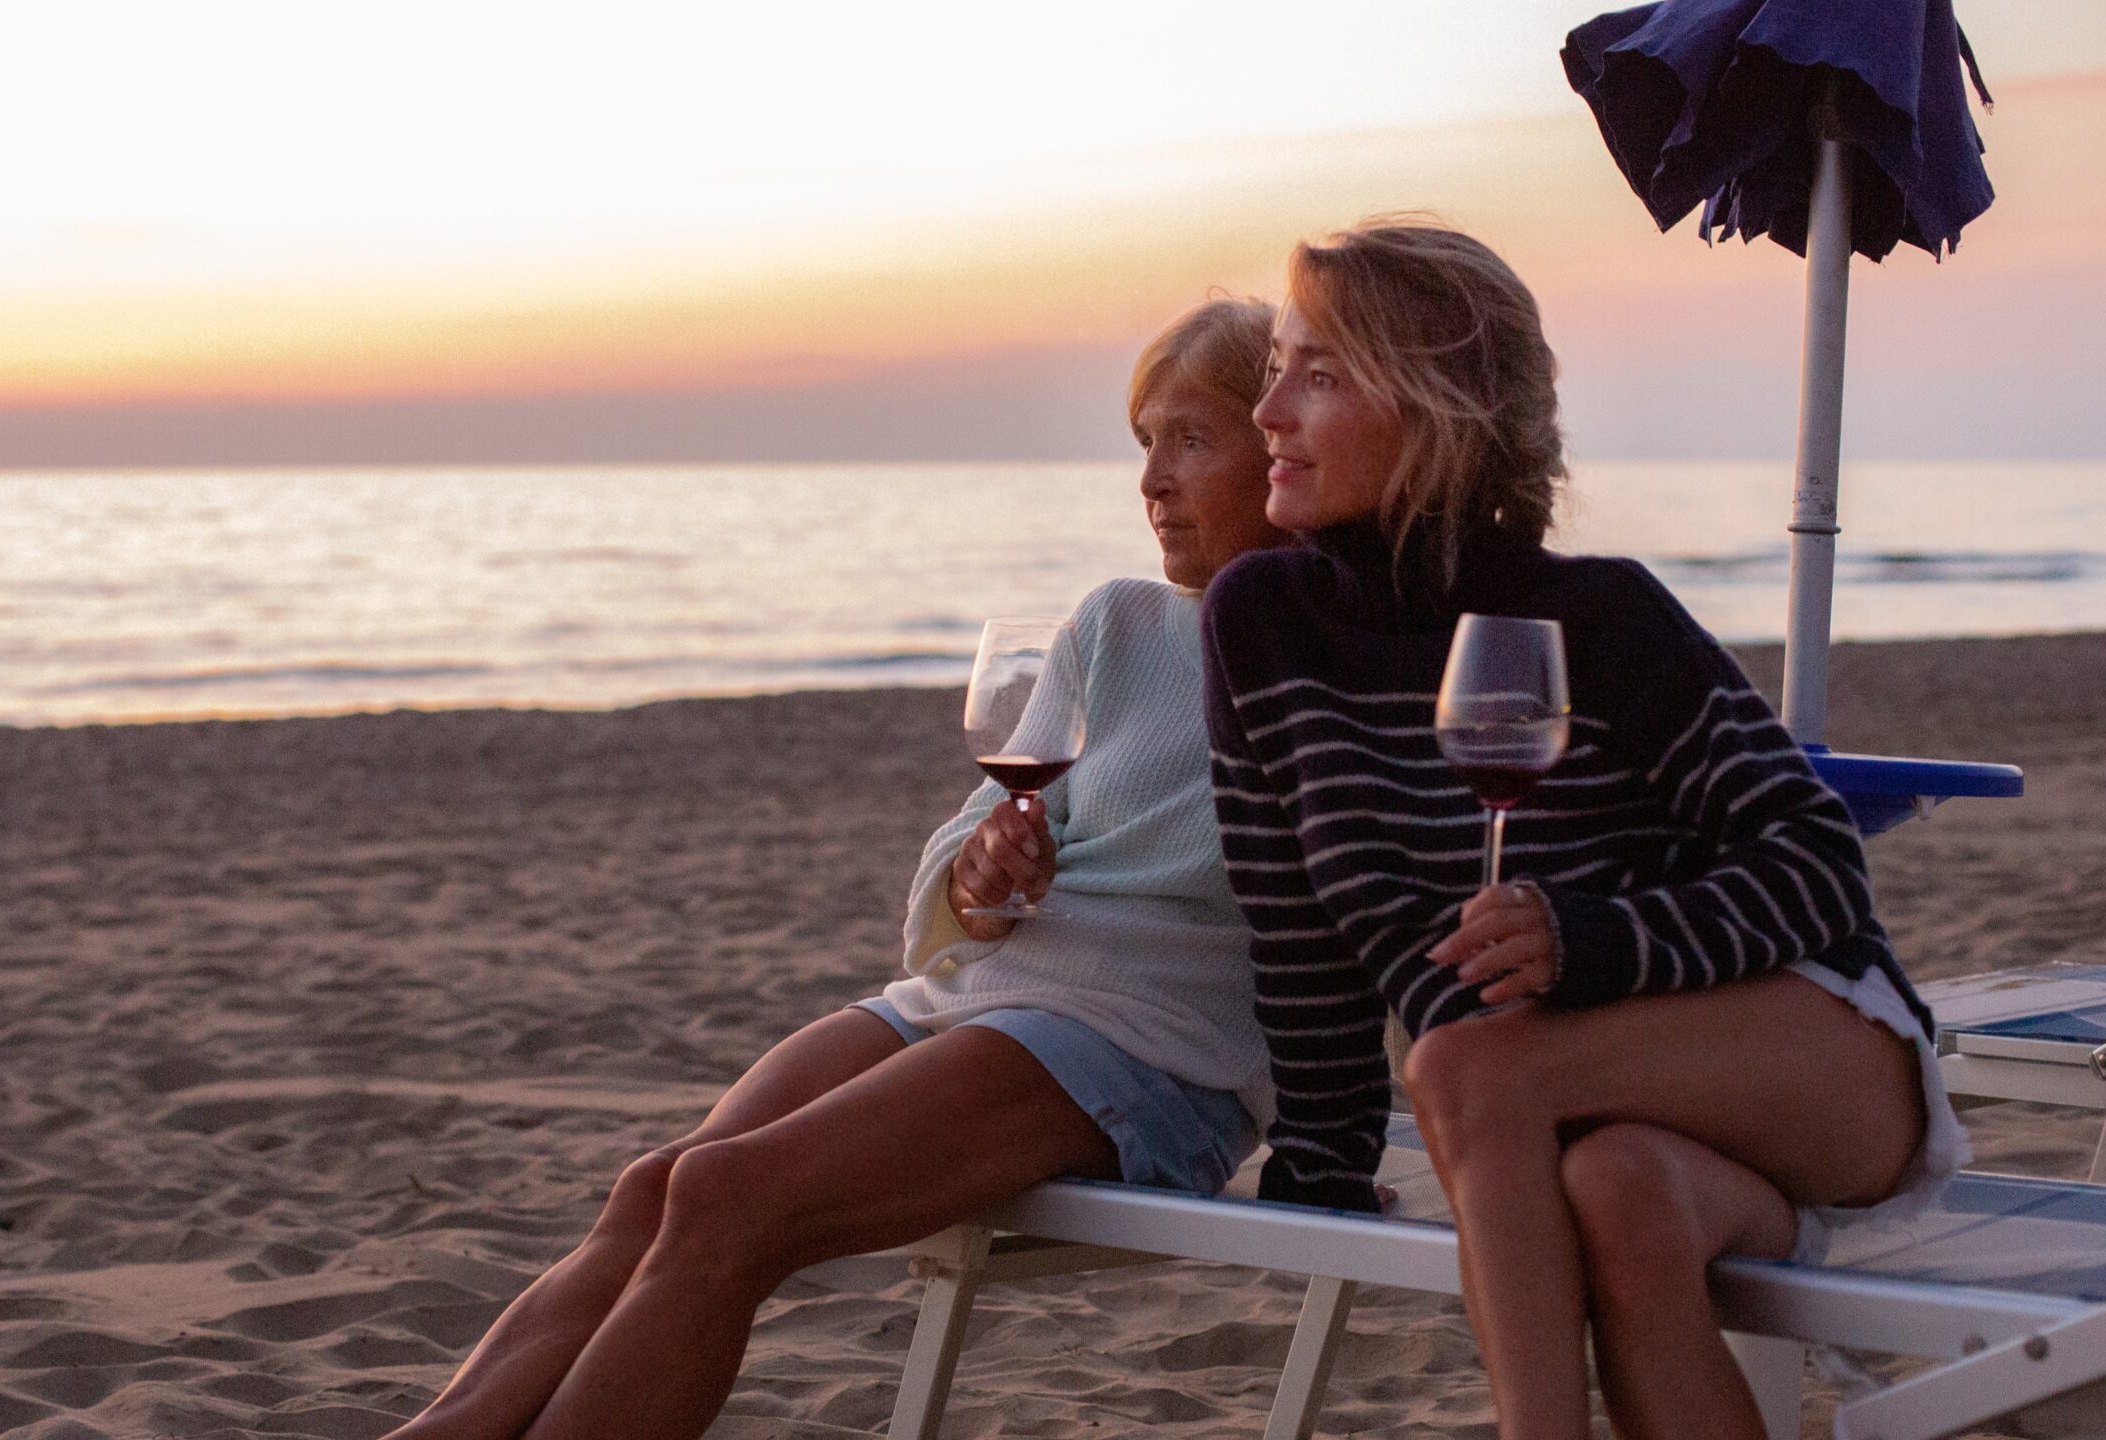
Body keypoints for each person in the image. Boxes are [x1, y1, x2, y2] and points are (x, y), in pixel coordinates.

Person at [382, 297, 1291, 1440]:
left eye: (1192, 441)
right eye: (1143, 442)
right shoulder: (1112, 622)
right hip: (981, 996)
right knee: (658, 1185)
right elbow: (962, 854)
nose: (1151, 479)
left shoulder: (1332, 653)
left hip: (1149, 1047)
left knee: (728, 1200)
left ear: (1286, 446)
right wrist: (984, 872)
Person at [1200, 220, 1969, 1440]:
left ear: (1440, 410)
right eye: (1275, 367)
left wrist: (1596, 944)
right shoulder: (1262, 624)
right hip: (1587, 1117)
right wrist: (1323, 1168)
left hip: (1814, 1058)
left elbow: (1817, 863)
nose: (1267, 411)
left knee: (1460, 1062)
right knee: (1614, 1193)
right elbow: (1294, 919)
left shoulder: (1598, 617)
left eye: (1320, 373)